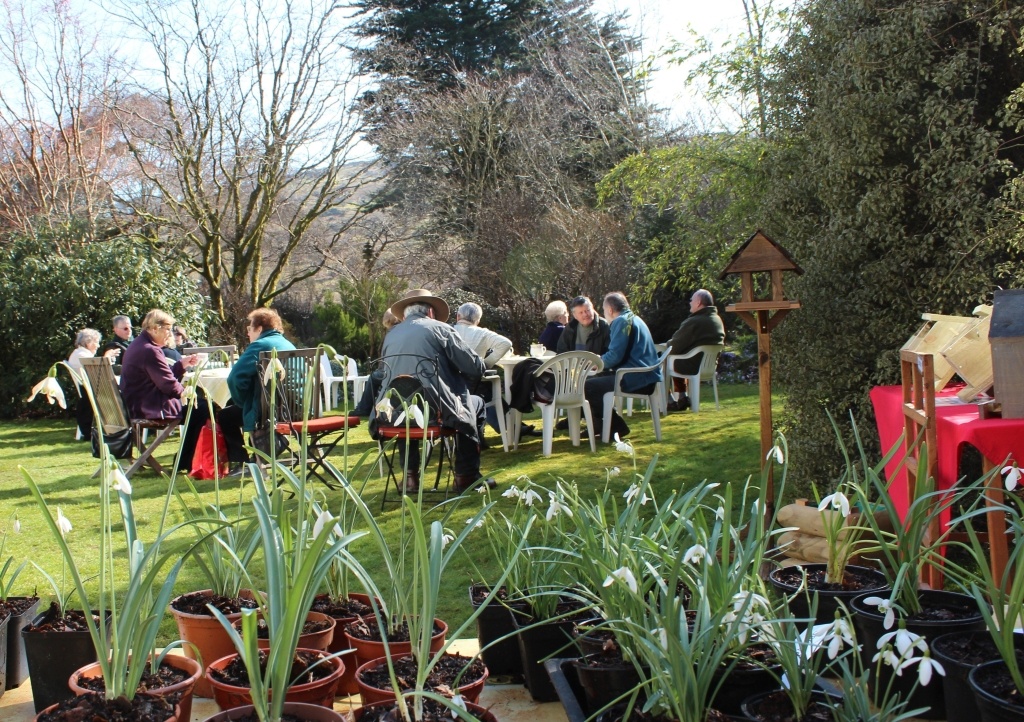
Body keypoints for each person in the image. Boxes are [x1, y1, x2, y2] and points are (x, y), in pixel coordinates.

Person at [376, 289, 494, 493]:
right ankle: (466, 475)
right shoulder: (441, 329)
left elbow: (383, 372)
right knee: (475, 404)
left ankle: (410, 478)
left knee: (406, 408)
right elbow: (475, 367)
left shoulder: (391, 335)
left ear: (404, 315)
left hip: (390, 412)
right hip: (436, 411)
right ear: (430, 312)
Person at [120, 309, 209, 470]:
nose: (170, 334)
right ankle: (185, 461)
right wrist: (186, 392)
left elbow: (160, 378)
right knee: (202, 408)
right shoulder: (150, 350)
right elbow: (168, 385)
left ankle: (185, 460)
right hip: (150, 407)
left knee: (198, 407)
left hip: (137, 404)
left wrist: (182, 364)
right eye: (167, 329)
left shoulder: (139, 345)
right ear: (154, 328)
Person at [218, 308, 296, 472]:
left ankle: (244, 462)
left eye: (249, 329)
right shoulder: (288, 344)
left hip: (267, 412)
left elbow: (234, 378)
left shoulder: (260, 345)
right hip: (295, 408)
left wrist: (241, 401)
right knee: (238, 409)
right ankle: (261, 453)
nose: (248, 334)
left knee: (225, 416)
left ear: (259, 328)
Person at [453, 302, 536, 443]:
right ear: (477, 320)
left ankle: (509, 427)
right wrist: (486, 364)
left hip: (451, 380)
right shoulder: (482, 333)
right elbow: (505, 343)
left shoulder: (448, 330)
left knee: (488, 389)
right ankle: (511, 427)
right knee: (488, 390)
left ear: (458, 316)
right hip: (473, 380)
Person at [584, 292, 661, 440]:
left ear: (610, 310)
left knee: (587, 386)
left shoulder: (621, 321)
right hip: (645, 376)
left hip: (635, 378)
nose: (605, 315)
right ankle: (599, 426)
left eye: (605, 311)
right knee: (592, 382)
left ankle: (616, 427)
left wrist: (596, 363)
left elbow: (615, 356)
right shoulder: (635, 318)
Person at [666, 289, 725, 411]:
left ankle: (669, 400)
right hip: (708, 366)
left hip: (693, 366)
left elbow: (674, 345)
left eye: (691, 300)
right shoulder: (717, 320)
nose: (690, 303)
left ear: (698, 302)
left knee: (663, 360)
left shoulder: (695, 321)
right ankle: (682, 397)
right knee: (677, 356)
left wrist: (666, 344)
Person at [68, 328, 101, 440]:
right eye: (96, 342)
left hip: (89, 391)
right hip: (90, 392)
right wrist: (107, 357)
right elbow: (99, 371)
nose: (98, 346)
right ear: (88, 343)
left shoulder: (80, 353)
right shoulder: (82, 355)